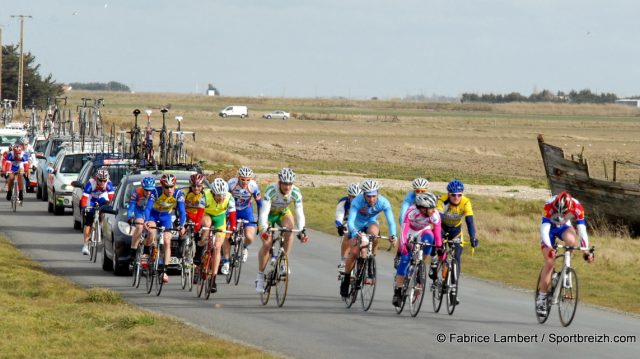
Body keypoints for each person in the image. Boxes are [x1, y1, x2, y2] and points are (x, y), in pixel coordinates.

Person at [536, 191, 594, 316]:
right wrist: (550, 248)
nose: (561, 214)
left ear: (570, 207)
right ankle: (541, 298)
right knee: (550, 262)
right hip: (549, 229)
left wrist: (585, 250)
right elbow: (544, 230)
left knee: (571, 240)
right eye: (559, 211)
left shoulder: (577, 206)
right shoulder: (549, 205)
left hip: (564, 227)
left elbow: (582, 229)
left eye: (564, 212)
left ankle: (565, 267)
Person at [255, 168, 310, 293]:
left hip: (282, 213)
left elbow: (299, 213)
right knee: (267, 244)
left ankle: (283, 261)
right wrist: (264, 229)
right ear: (280, 182)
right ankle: (260, 276)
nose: (287, 186)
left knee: (289, 230)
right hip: (268, 215)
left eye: (290, 184)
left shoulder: (295, 192)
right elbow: (263, 213)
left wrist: (302, 230)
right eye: (285, 183)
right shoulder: (271, 190)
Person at [340, 179, 397, 298]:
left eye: (374, 196)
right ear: (364, 195)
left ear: (378, 193)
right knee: (355, 252)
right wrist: (355, 232)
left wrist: (393, 235)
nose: (371, 199)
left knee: (374, 233)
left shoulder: (383, 202)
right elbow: (350, 221)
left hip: (371, 223)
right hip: (356, 225)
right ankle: (346, 279)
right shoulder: (357, 201)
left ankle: (370, 258)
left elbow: (391, 222)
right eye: (368, 196)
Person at [393, 192, 442, 307]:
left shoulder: (435, 215)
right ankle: (398, 291)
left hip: (423, 231)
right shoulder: (411, 212)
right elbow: (404, 232)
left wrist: (440, 248)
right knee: (405, 259)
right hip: (410, 231)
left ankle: (420, 264)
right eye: (431, 208)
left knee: (429, 238)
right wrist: (403, 245)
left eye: (434, 207)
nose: (433, 210)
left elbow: (438, 234)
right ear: (422, 209)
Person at [144, 173, 187, 283]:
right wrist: (146, 221)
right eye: (166, 187)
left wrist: (182, 225)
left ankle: (164, 270)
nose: (169, 189)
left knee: (167, 241)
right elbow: (148, 208)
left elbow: (182, 212)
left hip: (166, 217)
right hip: (154, 215)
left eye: (171, 186)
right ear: (162, 186)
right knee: (152, 232)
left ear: (175, 186)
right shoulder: (155, 192)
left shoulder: (178, 194)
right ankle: (146, 252)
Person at [199, 177, 236, 293]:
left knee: (216, 247)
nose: (221, 198)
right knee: (207, 225)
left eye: (223, 195)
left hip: (220, 218)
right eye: (218, 195)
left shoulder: (229, 198)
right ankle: (199, 249)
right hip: (207, 215)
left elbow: (233, 216)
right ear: (213, 193)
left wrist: (232, 229)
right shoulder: (205, 195)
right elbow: (199, 214)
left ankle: (213, 279)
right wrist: (196, 227)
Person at [228, 166, 262, 264]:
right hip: (233, 210)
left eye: (248, 180)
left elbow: (260, 204)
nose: (245, 182)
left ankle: (245, 247)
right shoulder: (231, 183)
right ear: (238, 177)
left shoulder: (253, 186)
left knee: (250, 237)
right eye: (242, 179)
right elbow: (224, 199)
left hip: (246, 211)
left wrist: (260, 221)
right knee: (226, 235)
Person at [395, 177, 431, 268]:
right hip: (410, 221)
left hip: (422, 224)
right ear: (414, 191)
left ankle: (420, 266)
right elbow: (403, 212)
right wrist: (404, 225)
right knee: (403, 234)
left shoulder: (430, 198)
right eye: (417, 191)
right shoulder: (409, 197)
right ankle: (399, 254)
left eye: (422, 191)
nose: (419, 193)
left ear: (426, 191)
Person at [80, 167, 114, 255]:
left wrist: (111, 208)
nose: (102, 182)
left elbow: (112, 199)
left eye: (104, 180)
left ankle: (101, 225)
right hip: (91, 200)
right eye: (100, 180)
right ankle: (85, 245)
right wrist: (84, 207)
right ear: (96, 178)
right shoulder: (90, 183)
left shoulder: (109, 184)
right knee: (88, 222)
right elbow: (84, 198)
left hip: (102, 199)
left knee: (106, 208)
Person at [127, 176, 156, 266]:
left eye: (150, 190)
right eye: (146, 190)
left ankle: (146, 251)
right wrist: (130, 216)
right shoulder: (137, 192)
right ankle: (133, 251)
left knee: (152, 231)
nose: (148, 192)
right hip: (139, 211)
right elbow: (131, 206)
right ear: (142, 188)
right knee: (139, 227)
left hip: (150, 213)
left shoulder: (155, 193)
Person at [335, 182, 361, 273]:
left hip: (361, 223)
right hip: (348, 223)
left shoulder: (364, 202)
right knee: (346, 234)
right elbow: (339, 215)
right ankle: (343, 262)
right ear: (349, 195)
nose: (354, 199)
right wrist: (339, 226)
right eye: (353, 196)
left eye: (357, 197)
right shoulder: (344, 202)